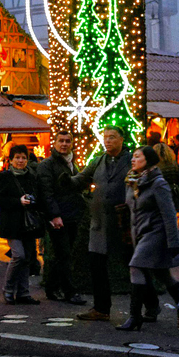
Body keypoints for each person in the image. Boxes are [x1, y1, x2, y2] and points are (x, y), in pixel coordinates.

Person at [118, 145, 179, 330]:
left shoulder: (158, 183)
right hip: (139, 233)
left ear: (148, 160)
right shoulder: (133, 180)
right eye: (133, 156)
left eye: (138, 157)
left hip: (156, 234)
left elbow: (169, 214)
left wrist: (173, 242)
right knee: (163, 274)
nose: (133, 160)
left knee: (135, 267)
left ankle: (135, 317)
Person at [72, 126, 132, 321]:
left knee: (133, 266)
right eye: (105, 137)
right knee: (97, 265)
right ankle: (101, 308)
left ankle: (149, 305)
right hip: (99, 223)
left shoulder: (131, 160)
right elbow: (81, 178)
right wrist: (66, 181)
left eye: (112, 137)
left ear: (122, 139)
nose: (107, 141)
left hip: (124, 224)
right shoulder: (98, 160)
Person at [36, 129, 87, 305]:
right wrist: (54, 215)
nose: (64, 144)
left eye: (67, 141)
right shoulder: (47, 165)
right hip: (58, 217)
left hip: (72, 215)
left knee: (63, 254)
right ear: (55, 143)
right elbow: (46, 193)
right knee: (64, 253)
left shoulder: (72, 163)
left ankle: (52, 287)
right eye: (61, 141)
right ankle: (69, 292)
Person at [0, 144, 44, 305]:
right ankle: (8, 289)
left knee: (27, 257)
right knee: (18, 255)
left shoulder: (31, 176)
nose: (20, 161)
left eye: (23, 158)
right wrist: (18, 201)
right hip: (12, 223)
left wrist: (33, 201)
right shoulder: (5, 177)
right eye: (17, 158)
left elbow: (38, 195)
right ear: (10, 160)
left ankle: (23, 292)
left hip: (28, 224)